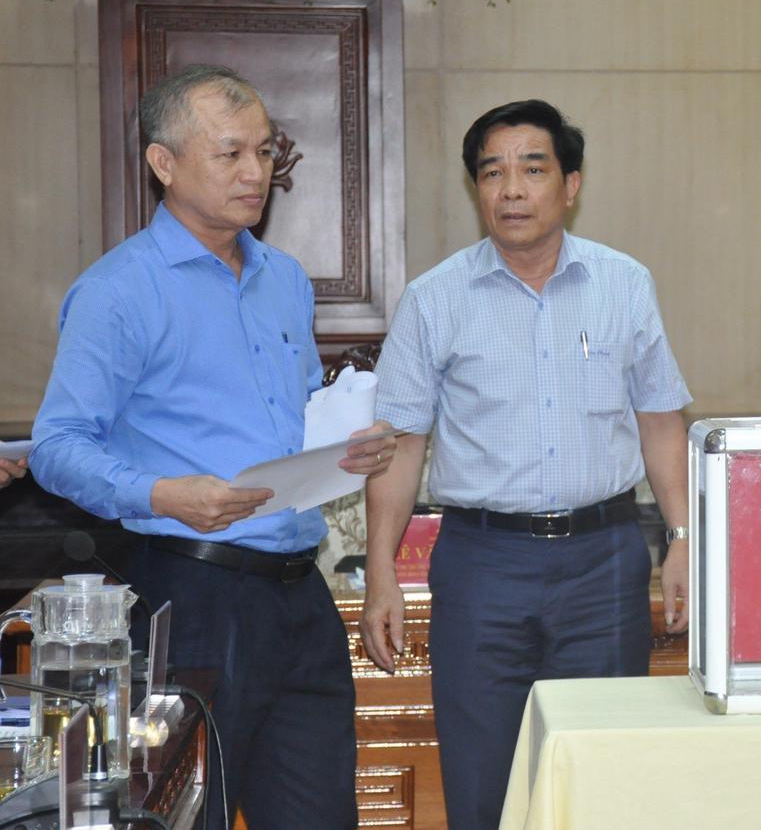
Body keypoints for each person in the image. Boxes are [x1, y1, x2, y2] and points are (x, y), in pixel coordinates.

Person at [30, 64, 397, 830]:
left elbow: (293, 413)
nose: (255, 172)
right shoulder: (118, 289)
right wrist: (163, 493)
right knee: (187, 815)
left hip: (300, 592)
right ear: (164, 162)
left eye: (264, 151)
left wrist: (343, 443)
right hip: (190, 590)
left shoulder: (284, 278)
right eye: (230, 153)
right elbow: (58, 444)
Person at [360, 99, 693, 829]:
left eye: (532, 169)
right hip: (482, 564)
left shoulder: (624, 283)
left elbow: (660, 418)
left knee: (602, 780)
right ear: (476, 188)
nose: (511, 189)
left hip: (603, 561)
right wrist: (381, 569)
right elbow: (401, 443)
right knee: (484, 783)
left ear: (570, 185)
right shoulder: (434, 299)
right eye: (492, 172)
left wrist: (681, 538)